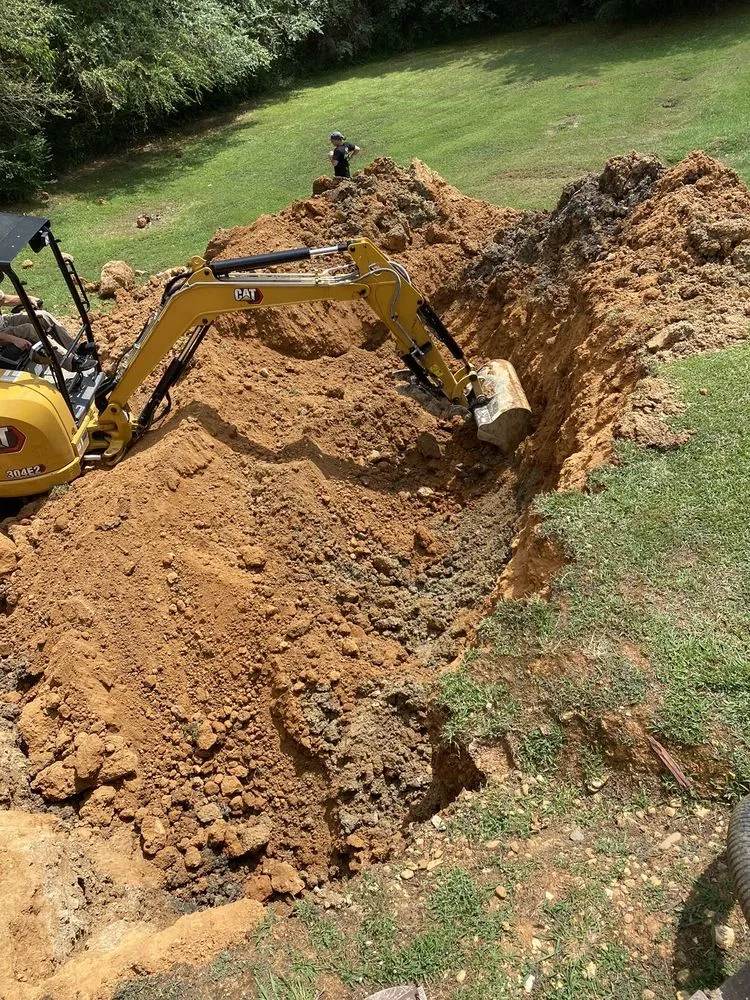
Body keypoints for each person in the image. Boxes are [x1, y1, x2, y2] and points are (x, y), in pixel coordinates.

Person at [0, 282, 77, 368]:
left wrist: (28, 299)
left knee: (42, 316)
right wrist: (14, 339)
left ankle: (76, 349)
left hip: (3, 321)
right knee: (29, 329)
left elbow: (4, 299)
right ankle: (71, 363)